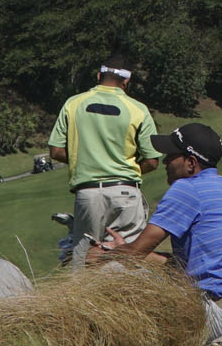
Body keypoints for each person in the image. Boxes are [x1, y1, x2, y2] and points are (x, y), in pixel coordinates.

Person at [94, 123, 222, 345]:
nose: (164, 162)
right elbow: (181, 265)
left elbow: (133, 255)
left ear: (191, 163)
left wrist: (107, 254)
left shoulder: (186, 188)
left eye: (171, 155)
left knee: (112, 269)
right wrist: (127, 250)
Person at [46, 64, 159, 261]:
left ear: (99, 75)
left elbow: (55, 151)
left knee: (86, 258)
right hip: (126, 192)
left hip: (88, 193)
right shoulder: (138, 109)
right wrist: (124, 169)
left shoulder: (73, 104)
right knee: (129, 259)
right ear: (126, 81)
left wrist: (86, 161)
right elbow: (152, 161)